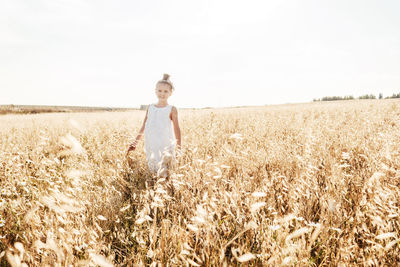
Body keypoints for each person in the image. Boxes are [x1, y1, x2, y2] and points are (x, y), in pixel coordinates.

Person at [127, 74, 181, 178]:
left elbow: (177, 128)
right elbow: (144, 125)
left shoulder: (172, 109)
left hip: (165, 144)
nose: (162, 94)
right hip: (152, 144)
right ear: (155, 91)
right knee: (153, 169)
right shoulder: (150, 107)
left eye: (166, 91)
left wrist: (179, 147)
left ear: (171, 93)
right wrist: (136, 141)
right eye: (160, 90)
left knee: (166, 171)